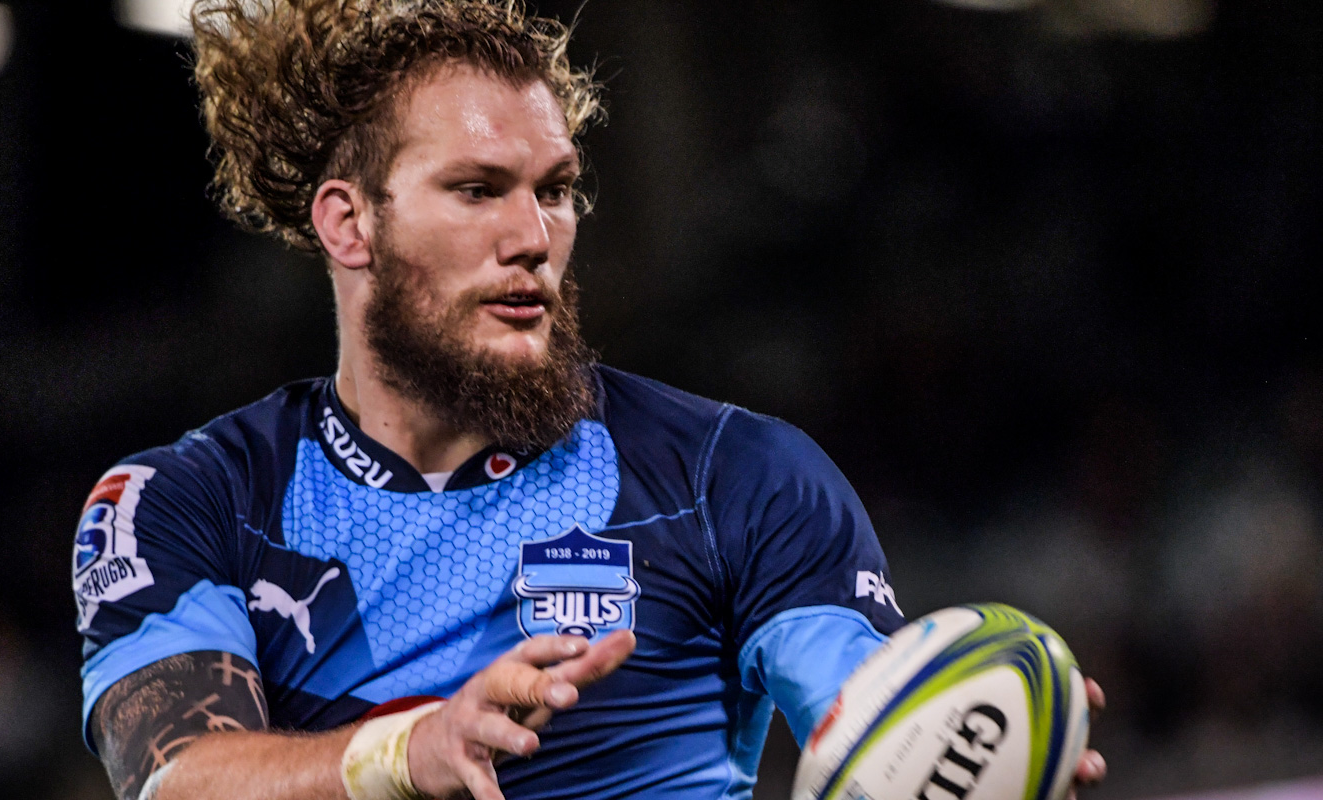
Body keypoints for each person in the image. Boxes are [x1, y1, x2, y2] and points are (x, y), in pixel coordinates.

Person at [70, 1, 1108, 799]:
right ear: (350, 224)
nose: (533, 237)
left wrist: (986, 753)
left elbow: (875, 729)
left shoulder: (736, 477)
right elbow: (176, 775)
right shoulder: (190, 500)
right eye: (478, 189)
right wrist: (406, 751)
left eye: (555, 189)